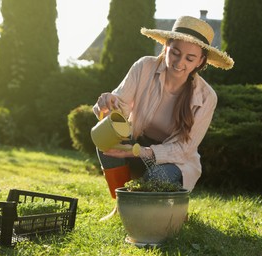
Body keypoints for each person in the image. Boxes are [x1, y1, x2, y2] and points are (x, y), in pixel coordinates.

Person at [93, 16, 233, 219]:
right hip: (138, 143)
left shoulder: (206, 97)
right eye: (175, 53)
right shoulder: (144, 67)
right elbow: (119, 111)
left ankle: (173, 209)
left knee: (156, 177)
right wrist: (109, 102)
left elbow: (184, 149)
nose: (179, 63)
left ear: (201, 61)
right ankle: (121, 207)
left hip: (174, 160)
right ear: (166, 47)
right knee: (106, 139)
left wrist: (139, 152)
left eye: (189, 58)